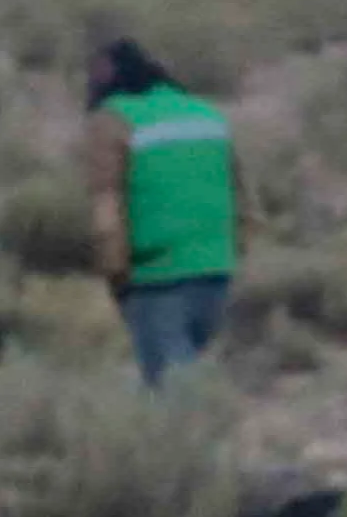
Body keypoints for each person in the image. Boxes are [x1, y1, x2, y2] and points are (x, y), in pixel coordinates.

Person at [83, 38, 238, 386]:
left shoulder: (112, 120)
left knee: (173, 390)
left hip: (156, 274)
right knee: (188, 373)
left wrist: (115, 275)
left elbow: (106, 209)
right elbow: (246, 203)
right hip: (216, 269)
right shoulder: (206, 114)